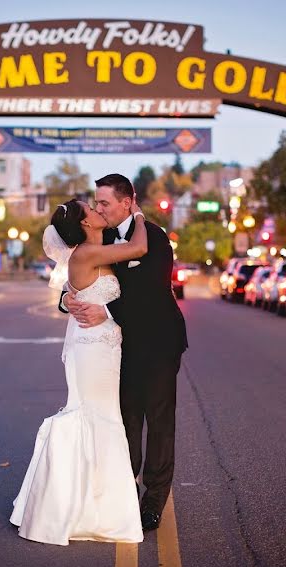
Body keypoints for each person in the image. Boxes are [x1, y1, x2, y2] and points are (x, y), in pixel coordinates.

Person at [10, 197, 148, 546]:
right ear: (85, 224)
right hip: (91, 348)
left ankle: (94, 506)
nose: (99, 210)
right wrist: (138, 214)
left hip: (104, 344)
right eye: (93, 208)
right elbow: (140, 247)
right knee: (96, 417)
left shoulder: (98, 250)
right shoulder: (86, 254)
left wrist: (72, 299)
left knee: (102, 417)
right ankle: (75, 509)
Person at [63, 174, 188, 532]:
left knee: (159, 421)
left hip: (159, 342)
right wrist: (69, 299)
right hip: (119, 349)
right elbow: (84, 278)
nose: (99, 208)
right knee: (126, 420)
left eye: (104, 203)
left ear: (127, 202)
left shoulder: (156, 238)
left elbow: (149, 292)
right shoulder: (100, 241)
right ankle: (124, 493)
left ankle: (154, 500)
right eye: (96, 203)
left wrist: (107, 311)